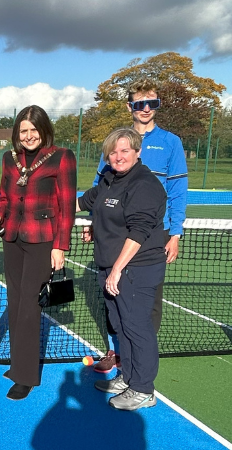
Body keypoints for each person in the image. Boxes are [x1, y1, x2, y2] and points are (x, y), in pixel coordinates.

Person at [91, 79, 188, 373]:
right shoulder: (117, 142)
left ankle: (140, 359)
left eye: (152, 103)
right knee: (112, 294)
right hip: (114, 231)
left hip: (152, 234)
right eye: (140, 104)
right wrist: (93, 220)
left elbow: (178, 190)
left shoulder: (171, 142)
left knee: (147, 302)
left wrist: (175, 232)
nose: (146, 109)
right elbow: (100, 186)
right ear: (129, 106)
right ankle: (117, 351)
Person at [0, 105, 76, 400]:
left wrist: (60, 246)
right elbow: (4, 197)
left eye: (33, 129)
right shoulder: (10, 159)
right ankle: (18, 365)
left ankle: (25, 376)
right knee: (15, 303)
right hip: (12, 239)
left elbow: (66, 206)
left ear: (43, 129)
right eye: (23, 130)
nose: (28, 135)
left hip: (42, 241)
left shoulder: (62, 157)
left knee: (28, 308)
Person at [78, 128, 166, 410]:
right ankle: (127, 377)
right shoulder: (109, 178)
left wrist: (117, 269)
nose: (118, 156)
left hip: (136, 269)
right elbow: (85, 202)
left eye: (125, 150)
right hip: (110, 266)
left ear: (137, 151)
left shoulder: (145, 185)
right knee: (120, 326)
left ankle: (143, 389)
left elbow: (139, 231)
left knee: (137, 328)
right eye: (113, 152)